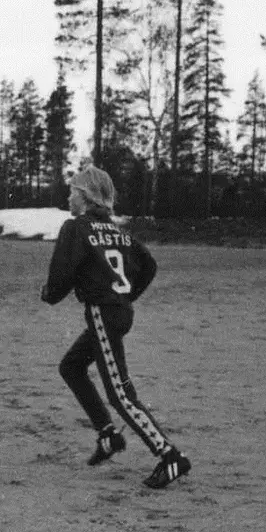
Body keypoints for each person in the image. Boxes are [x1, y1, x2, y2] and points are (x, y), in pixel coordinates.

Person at [40, 165, 191, 490]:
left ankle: (170, 456)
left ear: (85, 196)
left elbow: (60, 277)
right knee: (71, 366)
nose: (69, 195)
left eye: (73, 190)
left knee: (120, 394)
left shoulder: (76, 227)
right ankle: (108, 435)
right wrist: (125, 295)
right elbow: (148, 265)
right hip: (116, 312)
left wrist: (49, 294)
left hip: (103, 315)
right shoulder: (119, 232)